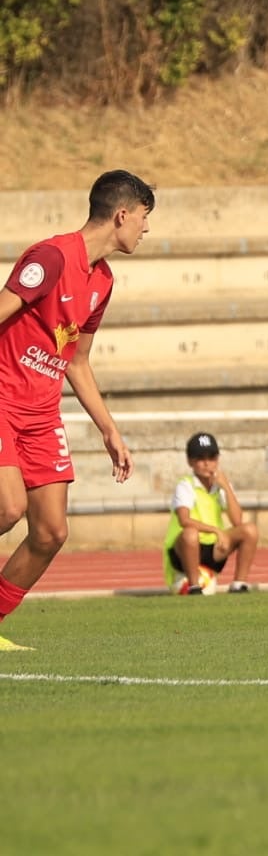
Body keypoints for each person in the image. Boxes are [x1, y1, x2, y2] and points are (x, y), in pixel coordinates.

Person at [0, 169, 155, 651]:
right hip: (3, 399)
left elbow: (77, 360)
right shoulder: (50, 256)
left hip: (42, 414)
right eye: (144, 219)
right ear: (122, 214)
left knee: (50, 531)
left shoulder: (103, 282)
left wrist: (109, 430)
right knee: (8, 507)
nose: (146, 230)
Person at [164, 431, 260, 594]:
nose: (207, 463)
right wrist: (216, 531)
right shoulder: (186, 485)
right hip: (185, 549)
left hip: (214, 547)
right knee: (190, 534)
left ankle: (239, 584)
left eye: (212, 458)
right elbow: (184, 520)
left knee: (250, 529)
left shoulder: (221, 485)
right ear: (190, 462)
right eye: (200, 458)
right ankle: (194, 587)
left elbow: (237, 521)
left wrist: (226, 487)